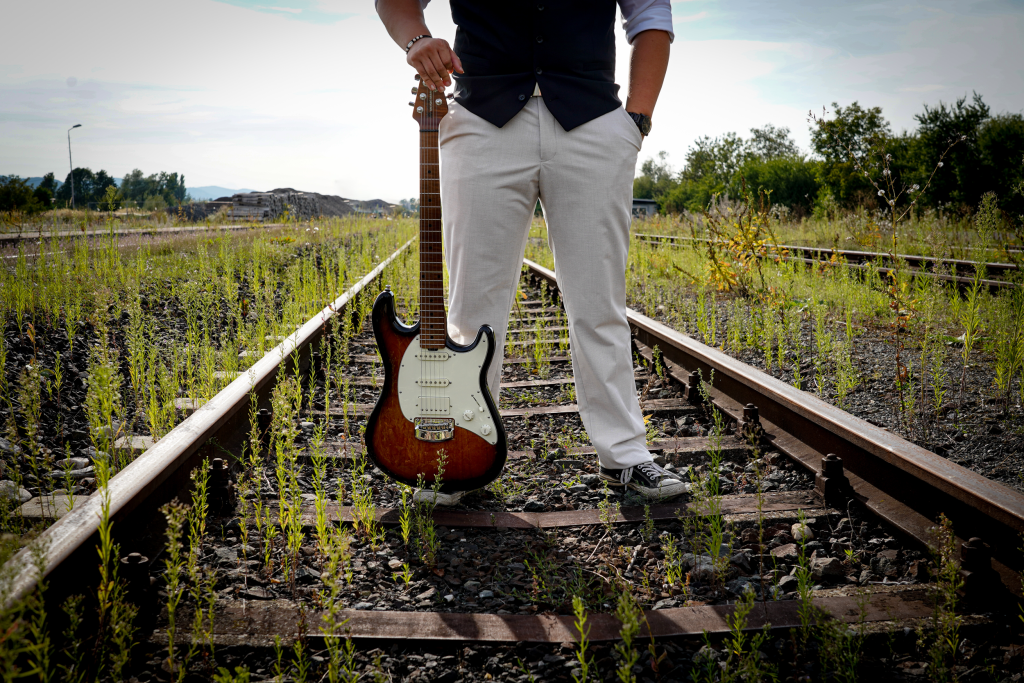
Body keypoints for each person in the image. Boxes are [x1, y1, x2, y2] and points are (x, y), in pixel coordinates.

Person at [376, 0, 687, 503]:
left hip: (594, 125)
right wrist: (417, 41)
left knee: (598, 302)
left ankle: (626, 457)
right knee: (472, 304)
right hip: (481, 123)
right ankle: (457, 454)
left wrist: (636, 120)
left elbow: (650, 16)